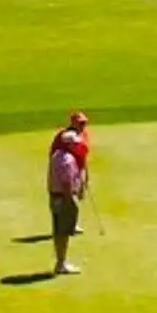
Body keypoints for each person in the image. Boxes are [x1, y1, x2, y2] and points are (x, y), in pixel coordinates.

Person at [47, 112, 89, 275]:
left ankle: (60, 262)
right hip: (62, 197)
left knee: (59, 230)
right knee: (62, 232)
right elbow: (66, 184)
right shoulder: (67, 160)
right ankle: (61, 263)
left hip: (55, 195)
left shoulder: (58, 155)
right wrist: (70, 202)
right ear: (69, 145)